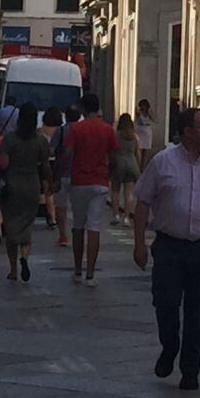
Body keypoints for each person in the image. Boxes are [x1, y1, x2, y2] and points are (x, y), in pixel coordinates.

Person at [132, 107, 200, 391]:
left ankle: (190, 370)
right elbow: (143, 201)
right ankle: (170, 345)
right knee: (165, 303)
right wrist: (139, 243)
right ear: (187, 132)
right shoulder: (162, 162)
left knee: (198, 310)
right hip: (169, 246)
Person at [63, 93, 119, 286]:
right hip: (100, 182)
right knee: (94, 226)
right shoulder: (108, 130)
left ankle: (77, 269)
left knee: (78, 225)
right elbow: (114, 156)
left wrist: (58, 175)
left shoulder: (76, 129)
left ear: (83, 110)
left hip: (79, 180)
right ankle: (91, 273)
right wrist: (108, 173)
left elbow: (67, 153)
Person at [0, 102, 52, 283]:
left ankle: (13, 269)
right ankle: (25, 257)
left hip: (13, 185)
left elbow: (3, 164)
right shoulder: (40, 141)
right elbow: (45, 166)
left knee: (11, 226)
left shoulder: (9, 139)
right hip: (32, 186)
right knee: (27, 226)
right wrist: (49, 184)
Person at [50, 106, 82, 248]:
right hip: (80, 174)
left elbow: (51, 150)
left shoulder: (61, 131)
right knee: (78, 207)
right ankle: (78, 231)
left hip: (62, 173)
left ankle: (63, 234)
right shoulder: (83, 130)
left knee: (60, 206)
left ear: (66, 117)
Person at [110, 113, 141, 226]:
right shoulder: (134, 137)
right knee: (129, 193)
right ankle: (127, 217)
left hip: (118, 164)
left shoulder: (116, 135)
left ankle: (115, 215)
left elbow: (111, 150)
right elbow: (138, 153)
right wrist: (139, 166)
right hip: (131, 164)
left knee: (115, 191)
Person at [39, 107, 64, 229]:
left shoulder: (40, 131)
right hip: (57, 163)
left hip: (43, 162)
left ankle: (52, 217)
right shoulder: (60, 131)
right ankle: (57, 216)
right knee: (57, 192)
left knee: (47, 190)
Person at [135, 99, 155, 170]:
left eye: (145, 106)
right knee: (139, 150)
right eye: (142, 105)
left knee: (145, 151)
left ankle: (143, 167)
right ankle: (138, 166)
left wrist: (149, 111)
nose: (144, 107)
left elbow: (154, 119)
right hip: (140, 131)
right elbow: (137, 114)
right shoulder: (138, 113)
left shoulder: (148, 114)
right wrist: (138, 109)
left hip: (147, 132)